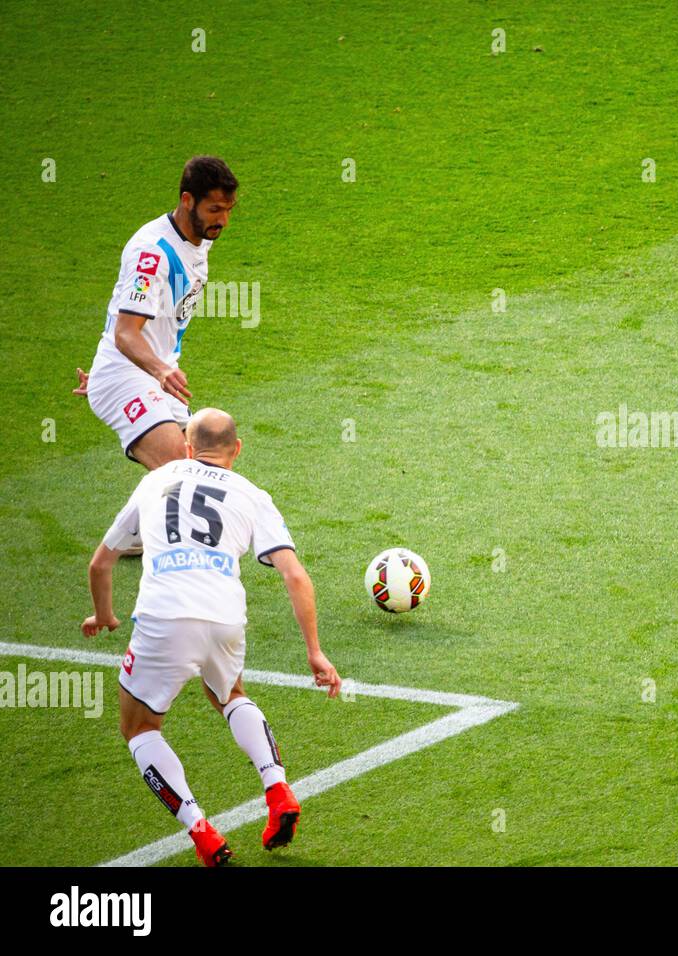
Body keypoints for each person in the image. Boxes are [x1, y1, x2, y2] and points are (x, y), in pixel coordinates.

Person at [81, 407, 342, 866]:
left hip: (164, 617)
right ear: (236, 450)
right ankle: (277, 788)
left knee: (138, 727)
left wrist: (104, 615)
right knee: (229, 692)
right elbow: (295, 576)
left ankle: (202, 832)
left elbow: (100, 564)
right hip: (225, 617)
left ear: (185, 446)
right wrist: (315, 652)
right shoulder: (252, 494)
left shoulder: (152, 481)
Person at [73, 156, 238, 472]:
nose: (224, 221)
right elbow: (125, 332)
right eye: (215, 210)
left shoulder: (199, 237)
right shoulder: (151, 254)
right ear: (187, 200)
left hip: (154, 374)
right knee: (178, 469)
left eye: (229, 210)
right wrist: (155, 371)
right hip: (128, 376)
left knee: (210, 470)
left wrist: (159, 371)